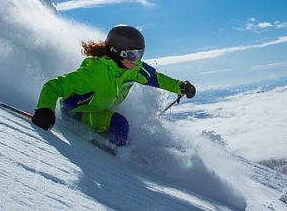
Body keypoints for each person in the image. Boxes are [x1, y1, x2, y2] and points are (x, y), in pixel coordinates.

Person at [31, 24, 196, 147]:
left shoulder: (133, 68)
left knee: (123, 126)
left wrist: (179, 86)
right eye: (133, 55)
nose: (137, 59)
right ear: (118, 53)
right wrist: (45, 110)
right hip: (78, 113)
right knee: (120, 124)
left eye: (141, 53)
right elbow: (53, 86)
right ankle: (113, 155)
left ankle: (116, 141)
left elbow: (155, 78)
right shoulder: (92, 74)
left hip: (102, 108)